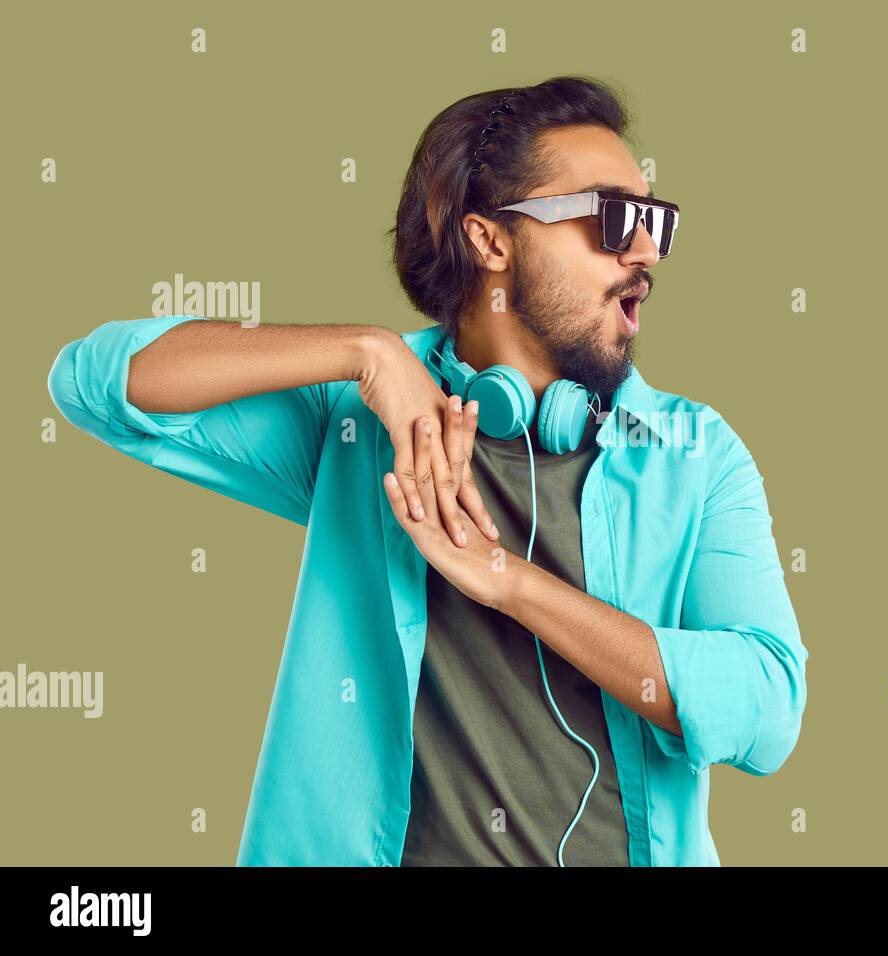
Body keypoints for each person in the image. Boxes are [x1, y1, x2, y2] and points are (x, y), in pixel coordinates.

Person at [45, 74, 808, 866]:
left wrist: (513, 583)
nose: (645, 251)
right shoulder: (361, 425)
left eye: (654, 221)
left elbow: (767, 712)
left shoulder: (694, 451)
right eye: (615, 218)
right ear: (492, 241)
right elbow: (95, 383)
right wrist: (364, 351)